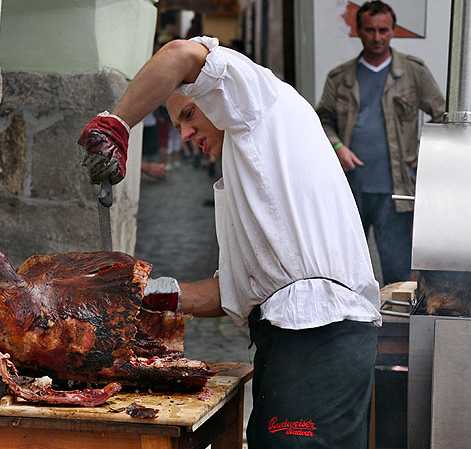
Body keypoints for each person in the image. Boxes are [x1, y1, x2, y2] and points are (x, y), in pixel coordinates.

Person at [78, 36, 380, 448]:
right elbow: (234, 292)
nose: (184, 134)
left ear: (215, 96)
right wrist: (144, 296)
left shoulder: (262, 101)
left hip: (322, 335)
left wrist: (116, 124)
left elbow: (180, 54)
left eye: (188, 114)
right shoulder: (252, 165)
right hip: (291, 337)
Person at [316, 0, 445, 284]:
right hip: (350, 190)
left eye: (383, 30)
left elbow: (443, 116)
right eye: (370, 30)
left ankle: (396, 326)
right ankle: (350, 323)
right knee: (344, 269)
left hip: (395, 192)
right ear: (358, 31)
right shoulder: (340, 78)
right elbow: (321, 120)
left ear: (393, 31)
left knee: (397, 272)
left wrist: (428, 154)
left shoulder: (413, 72)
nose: (377, 38)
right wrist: (337, 147)